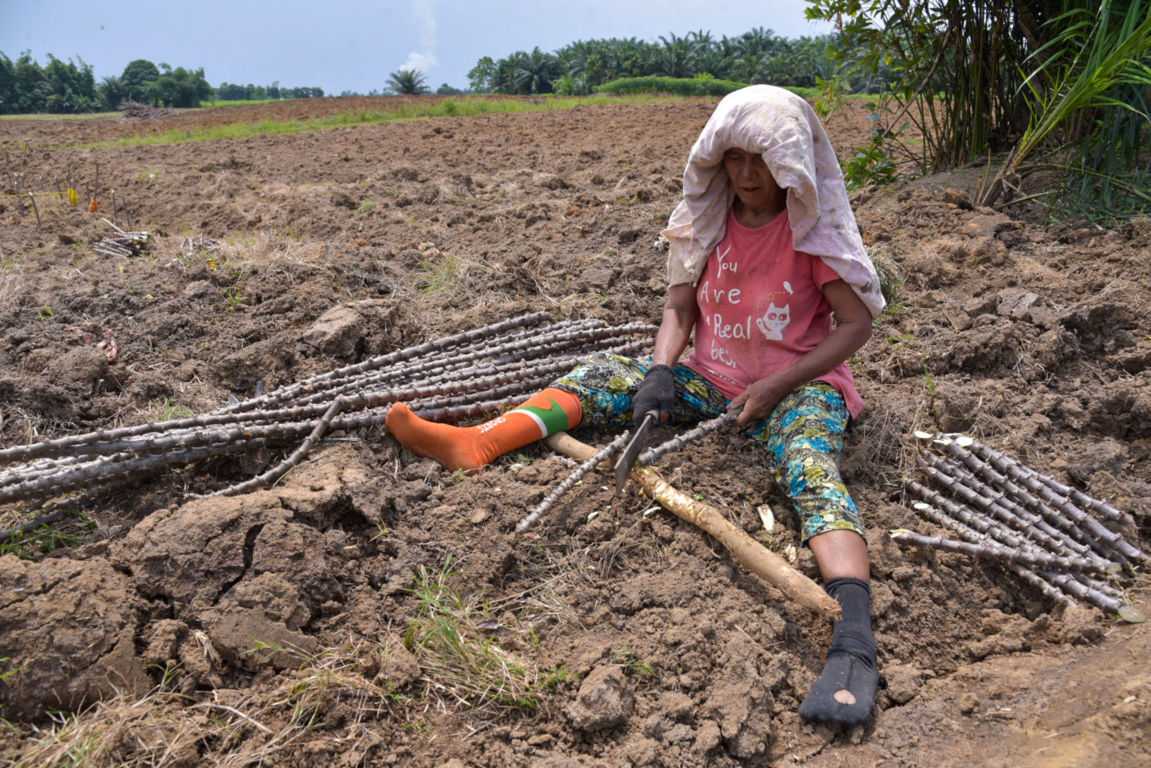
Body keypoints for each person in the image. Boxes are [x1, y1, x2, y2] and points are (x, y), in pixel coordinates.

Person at [386, 85, 886, 728]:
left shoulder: (810, 233)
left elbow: (854, 327)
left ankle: (853, 636)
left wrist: (777, 385)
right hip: (711, 378)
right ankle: (480, 440)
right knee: (601, 375)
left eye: (761, 162)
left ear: (790, 164)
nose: (747, 176)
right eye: (734, 160)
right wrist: (658, 370)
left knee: (810, 466)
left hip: (799, 386)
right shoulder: (706, 224)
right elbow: (679, 310)